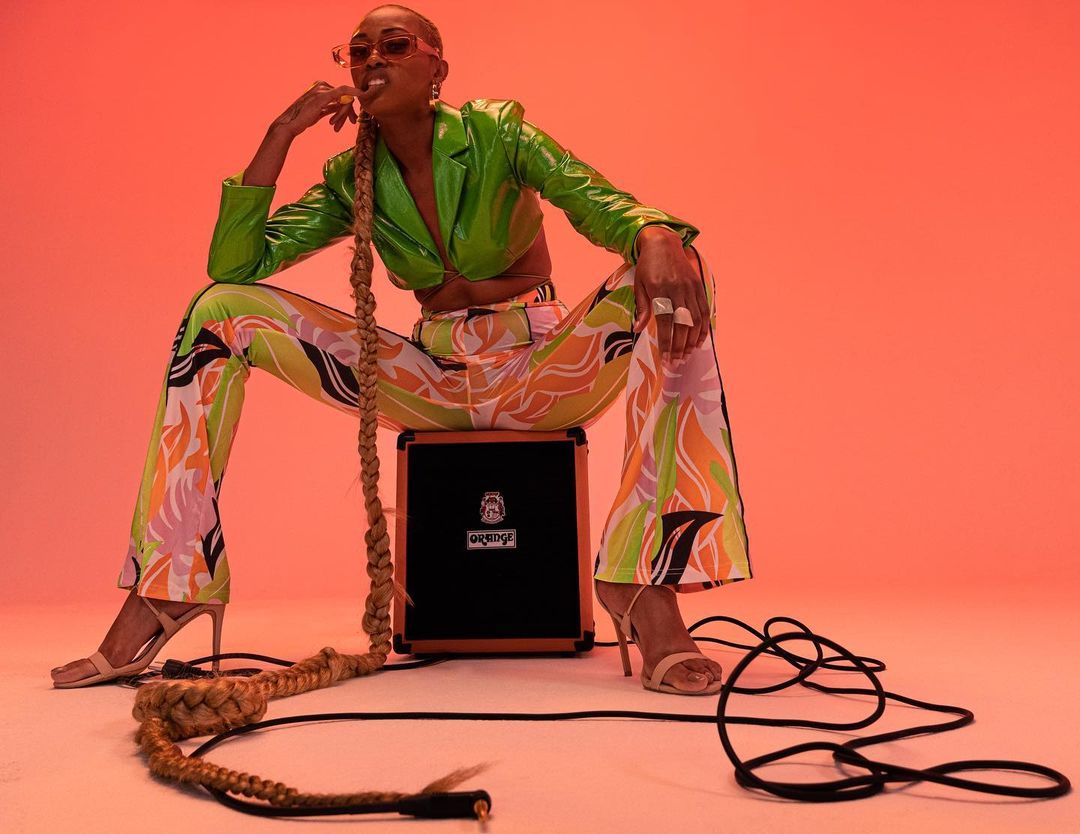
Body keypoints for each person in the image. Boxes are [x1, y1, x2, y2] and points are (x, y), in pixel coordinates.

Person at [51, 3, 751, 694]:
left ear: (437, 67)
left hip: (543, 372)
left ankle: (643, 578)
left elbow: (597, 202)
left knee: (677, 271)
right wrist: (280, 134)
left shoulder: (498, 133)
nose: (372, 61)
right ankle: (172, 581)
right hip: (432, 382)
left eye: (394, 45)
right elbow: (236, 266)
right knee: (218, 314)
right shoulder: (348, 178)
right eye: (357, 52)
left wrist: (657, 234)